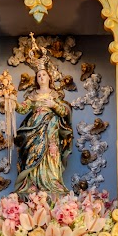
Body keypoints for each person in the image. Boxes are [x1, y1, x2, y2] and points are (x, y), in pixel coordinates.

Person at [13, 61, 73, 199]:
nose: (41, 77)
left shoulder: (55, 95)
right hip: (34, 130)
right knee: (33, 153)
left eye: (44, 75)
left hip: (51, 129)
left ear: (49, 78)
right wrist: (12, 102)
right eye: (39, 75)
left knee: (50, 154)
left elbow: (64, 112)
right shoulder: (33, 95)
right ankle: (33, 184)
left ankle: (51, 182)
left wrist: (53, 105)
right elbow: (22, 108)